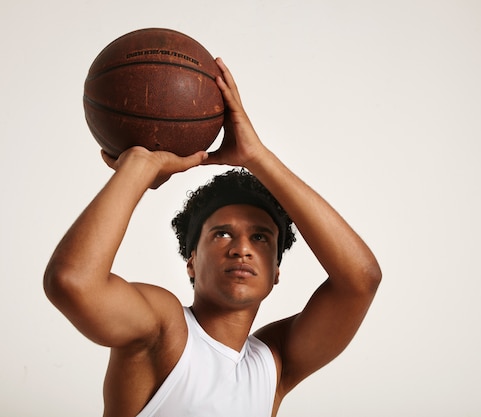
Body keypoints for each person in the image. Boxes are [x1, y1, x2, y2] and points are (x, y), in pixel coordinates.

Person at [43, 57, 382, 417]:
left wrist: (257, 156)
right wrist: (139, 168)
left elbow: (361, 279)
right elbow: (73, 282)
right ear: (191, 261)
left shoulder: (274, 364)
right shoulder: (165, 328)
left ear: (276, 271)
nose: (241, 250)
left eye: (261, 238)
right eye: (222, 234)